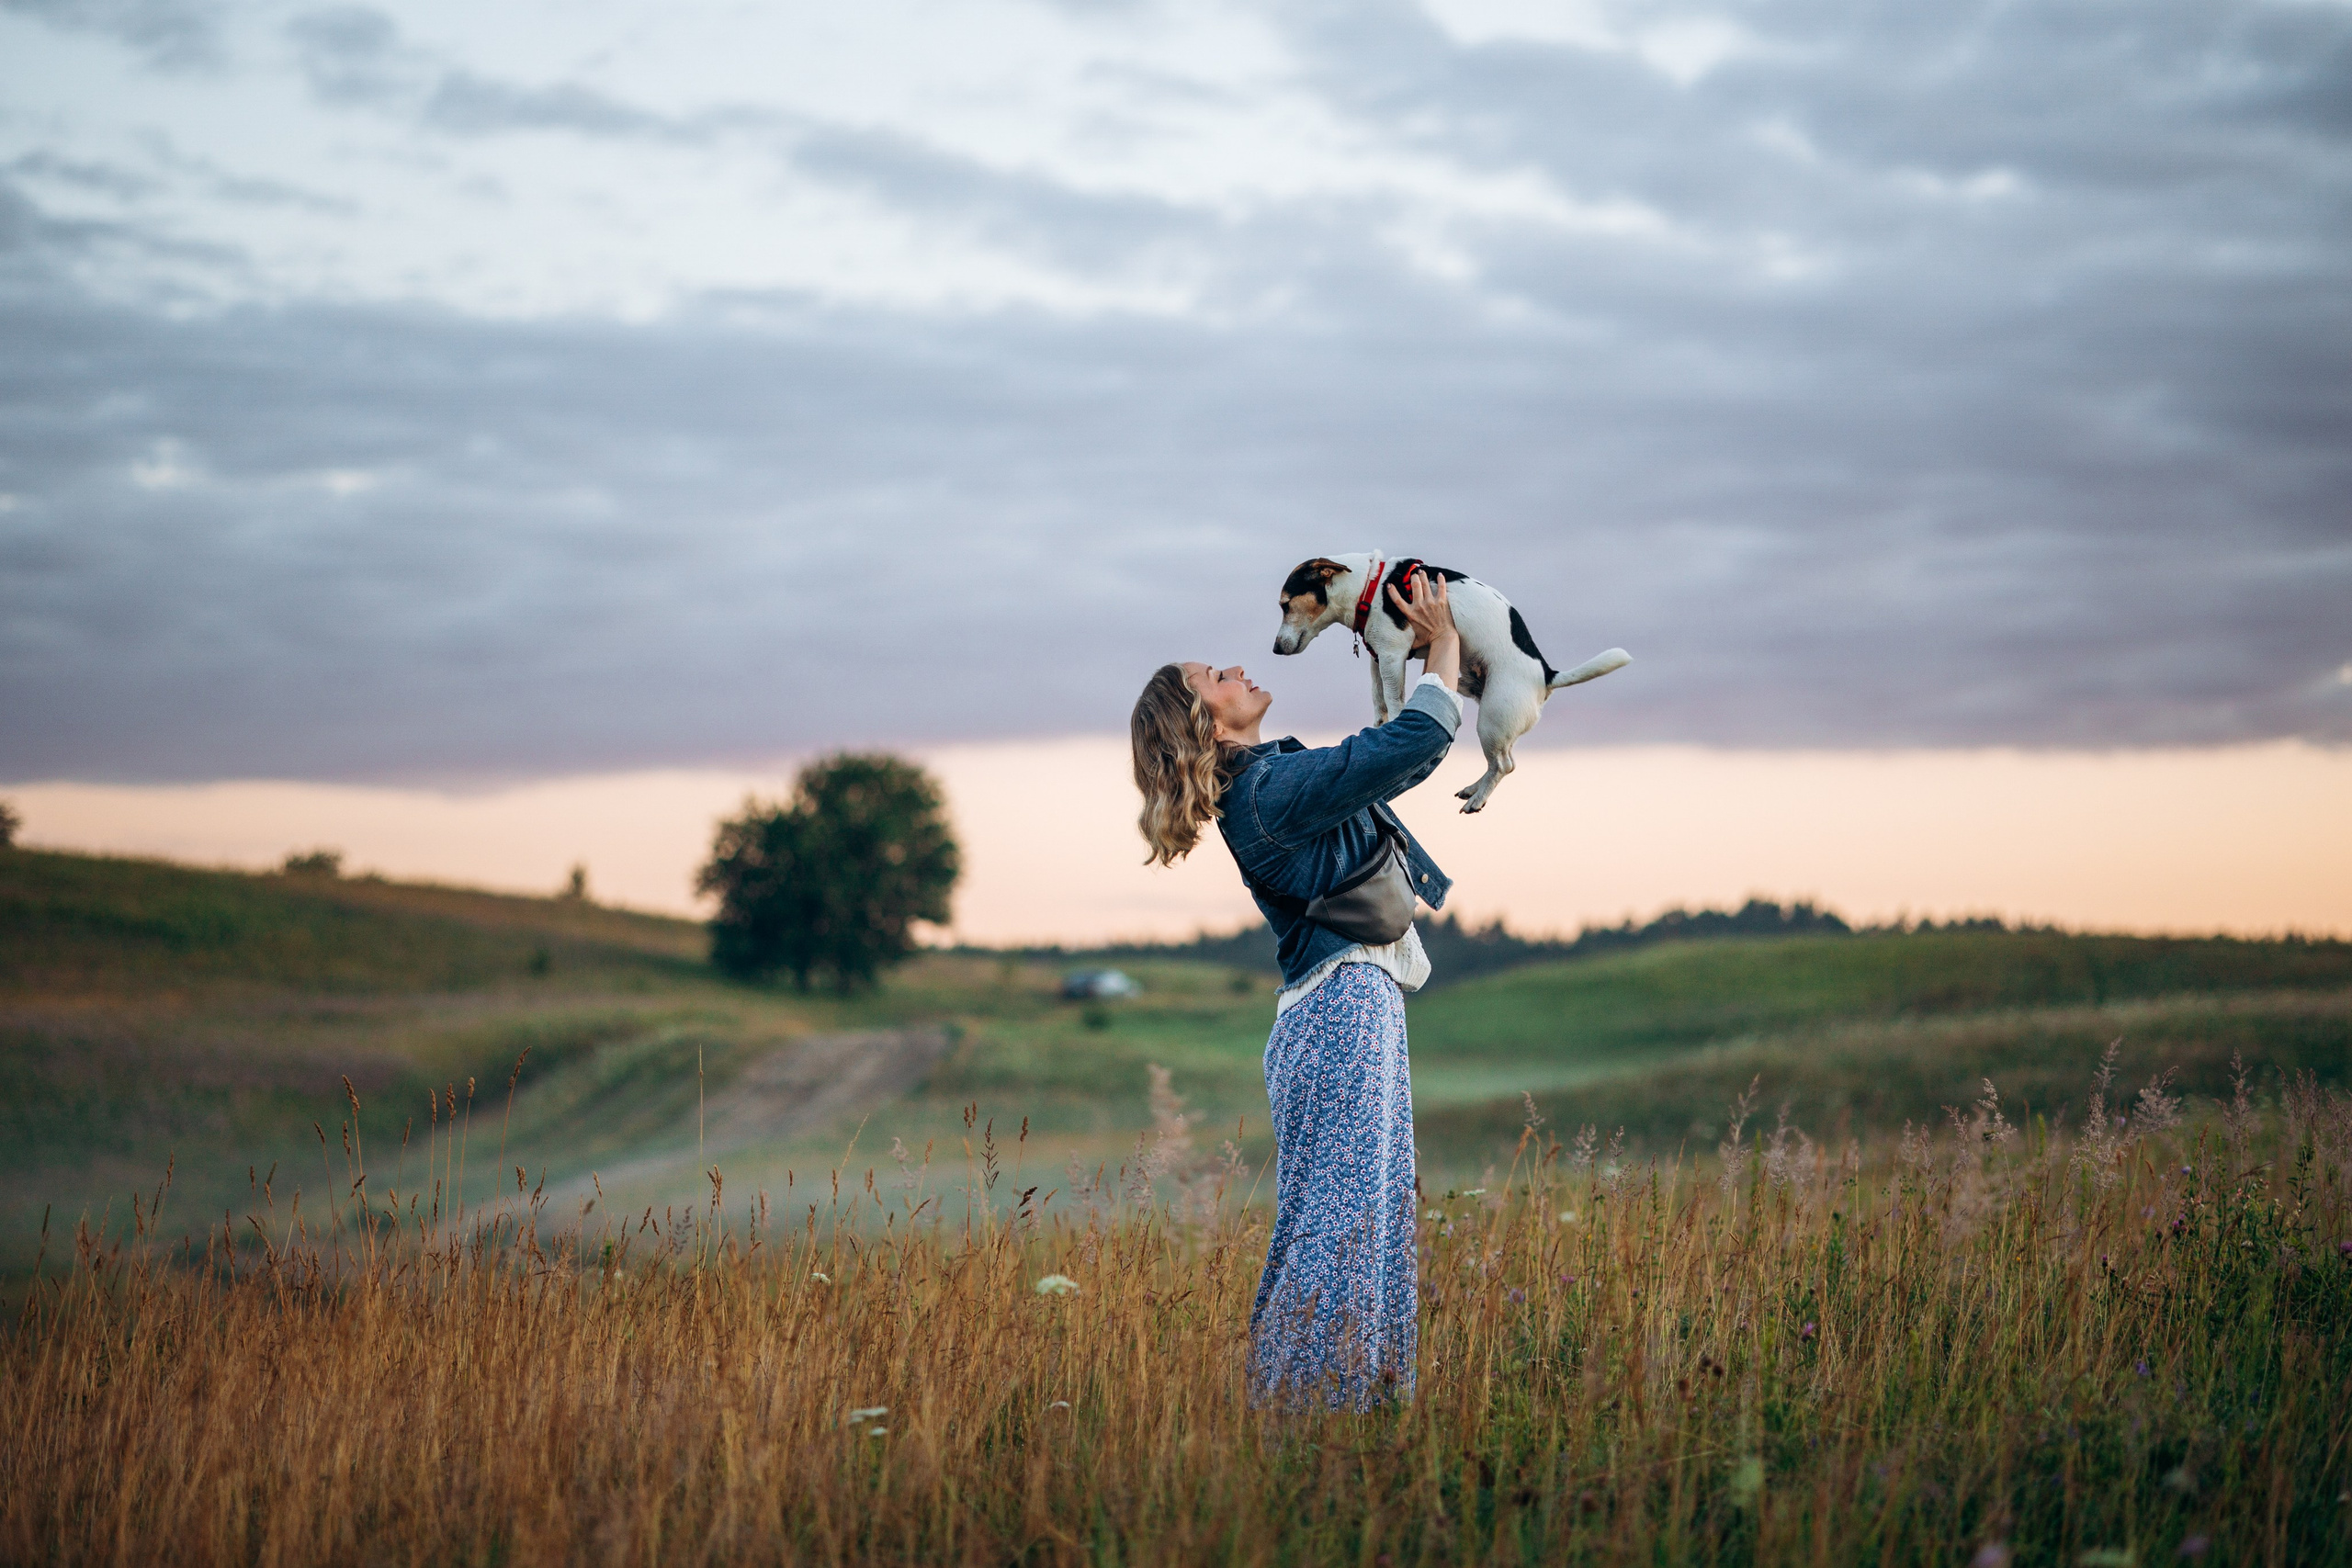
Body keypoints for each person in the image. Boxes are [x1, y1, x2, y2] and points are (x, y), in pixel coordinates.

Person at [1127, 568, 1462, 1410]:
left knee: (1363, 1221)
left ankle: (1351, 1409)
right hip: (1340, 1009)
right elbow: (1401, 748)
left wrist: (1409, 657)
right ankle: (1314, 1417)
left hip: (1349, 1005)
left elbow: (1375, 762)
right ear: (1206, 718)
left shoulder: (1271, 784)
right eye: (1217, 677)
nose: (1238, 670)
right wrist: (1447, 647)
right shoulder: (1269, 793)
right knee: (1341, 1228)